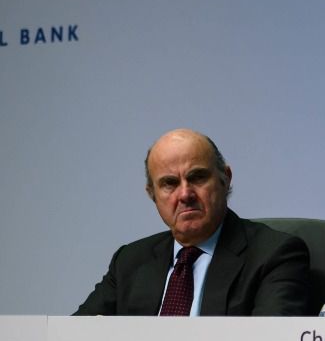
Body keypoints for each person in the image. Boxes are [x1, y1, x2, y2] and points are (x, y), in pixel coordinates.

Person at [74, 128, 310, 316]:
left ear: (225, 179)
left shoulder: (274, 255)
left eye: (197, 177)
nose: (185, 194)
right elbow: (72, 339)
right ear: (152, 194)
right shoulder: (129, 262)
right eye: (169, 183)